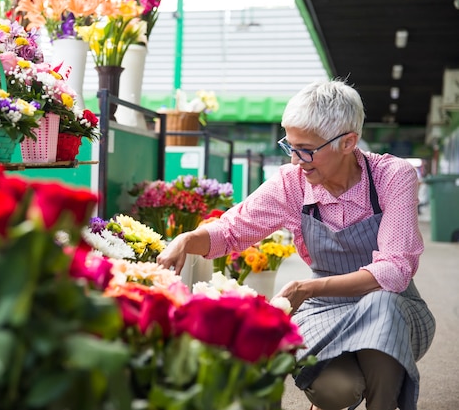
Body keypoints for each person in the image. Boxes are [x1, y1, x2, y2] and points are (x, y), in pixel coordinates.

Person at [156, 79, 435, 410]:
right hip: (327, 310)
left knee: (380, 303)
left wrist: (308, 288)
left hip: (397, 312)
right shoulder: (292, 184)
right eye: (290, 146)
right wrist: (186, 239)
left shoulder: (393, 176)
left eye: (306, 150)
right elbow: (233, 229)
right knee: (336, 389)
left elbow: (395, 269)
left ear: (348, 142)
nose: (295, 161)